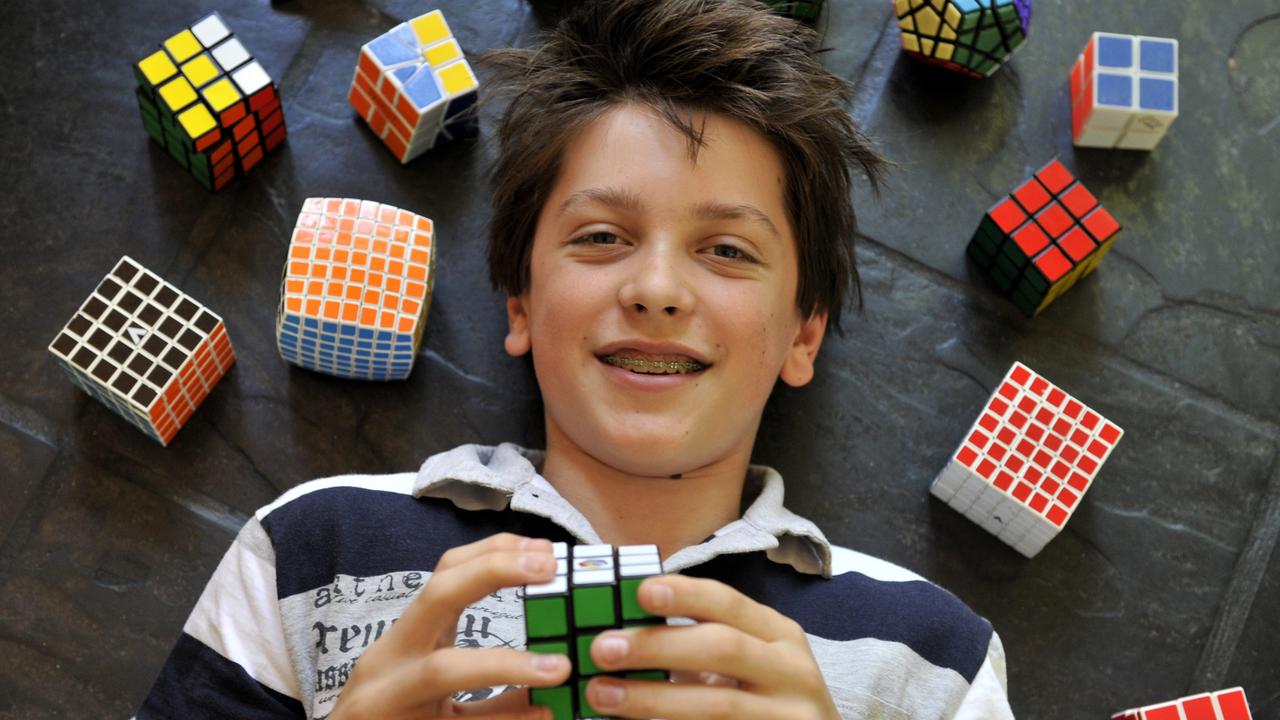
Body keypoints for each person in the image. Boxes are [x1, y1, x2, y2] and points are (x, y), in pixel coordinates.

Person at [136, 1, 1014, 718]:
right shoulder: (311, 547)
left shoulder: (938, 663)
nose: (658, 289)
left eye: (729, 251)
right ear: (521, 303)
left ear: (803, 336)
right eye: (602, 236)